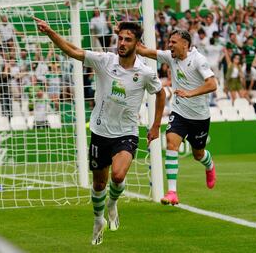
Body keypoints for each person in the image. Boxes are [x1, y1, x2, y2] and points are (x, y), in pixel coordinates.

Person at [33, 17, 166, 245]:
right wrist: (50, 33)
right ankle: (98, 220)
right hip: (100, 132)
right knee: (99, 185)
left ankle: (113, 204)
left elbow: (161, 93)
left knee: (118, 175)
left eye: (128, 40)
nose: (122, 43)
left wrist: (155, 125)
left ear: (136, 44)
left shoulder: (145, 72)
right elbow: (74, 51)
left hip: (126, 133)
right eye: (120, 38)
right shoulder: (105, 61)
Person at [137, 29, 217, 205]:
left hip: (200, 117)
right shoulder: (170, 57)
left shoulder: (198, 60)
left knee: (198, 154)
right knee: (171, 143)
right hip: (179, 113)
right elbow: (143, 50)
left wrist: (190, 93)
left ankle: (209, 165)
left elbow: (212, 84)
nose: (170, 45)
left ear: (185, 44)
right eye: (169, 41)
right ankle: (172, 192)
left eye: (173, 42)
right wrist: (127, 35)